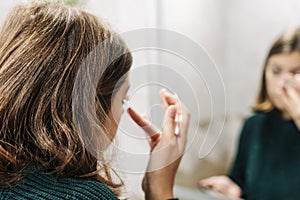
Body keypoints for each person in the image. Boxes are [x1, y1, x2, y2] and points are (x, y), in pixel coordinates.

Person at [0, 1, 190, 199]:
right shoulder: (83, 196)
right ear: (92, 105)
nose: (122, 112)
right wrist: (160, 189)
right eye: (123, 100)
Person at [199, 28, 300, 200]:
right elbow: (242, 181)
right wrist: (233, 189)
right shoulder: (254, 125)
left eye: (297, 73)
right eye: (275, 71)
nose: (283, 83)